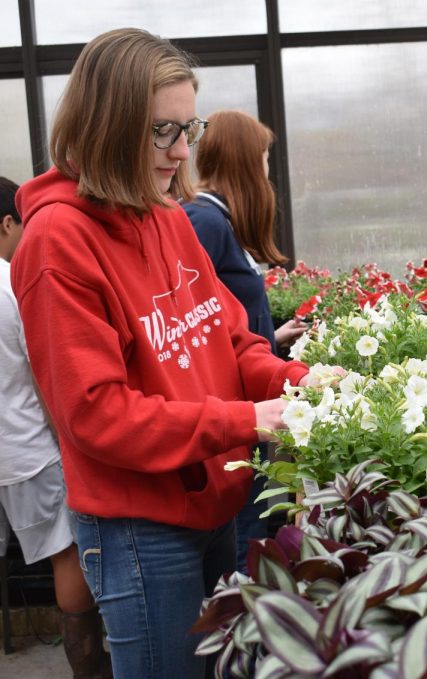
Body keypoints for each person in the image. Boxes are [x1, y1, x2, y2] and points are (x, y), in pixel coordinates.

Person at [9, 29, 309, 679]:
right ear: (106, 126)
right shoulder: (58, 241)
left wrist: (298, 380)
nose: (180, 150)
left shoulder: (167, 215)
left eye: (187, 128)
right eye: (160, 131)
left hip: (215, 504)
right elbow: (95, 413)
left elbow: (230, 339)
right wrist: (246, 420)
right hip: (141, 531)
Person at [182, 110, 307, 571]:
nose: (267, 169)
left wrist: (270, 338)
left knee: (251, 523)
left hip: (248, 407)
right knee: (243, 536)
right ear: (245, 160)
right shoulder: (204, 222)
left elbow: (217, 320)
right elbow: (189, 323)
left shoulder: (220, 221)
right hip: (232, 417)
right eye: (263, 157)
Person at [1, 176, 111, 678]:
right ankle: (91, 668)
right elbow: (44, 371)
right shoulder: (11, 282)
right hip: (28, 448)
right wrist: (73, 438)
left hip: (8, 452)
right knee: (65, 556)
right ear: (8, 223)